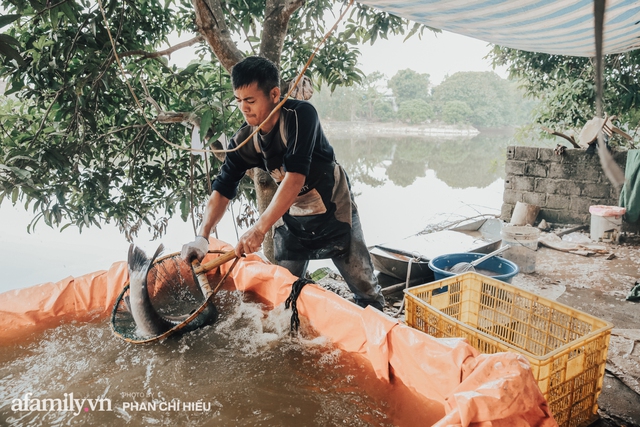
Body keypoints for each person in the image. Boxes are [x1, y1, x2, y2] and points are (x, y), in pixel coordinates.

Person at [181, 56, 384, 310]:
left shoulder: (300, 116)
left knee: (364, 286)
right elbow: (222, 189)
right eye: (239, 101)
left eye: (251, 100)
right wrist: (203, 236)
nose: (244, 108)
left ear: (274, 94)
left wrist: (258, 229)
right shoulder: (244, 140)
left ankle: (381, 329)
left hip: (332, 205)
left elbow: (295, 178)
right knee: (282, 293)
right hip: (291, 212)